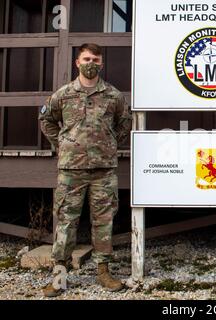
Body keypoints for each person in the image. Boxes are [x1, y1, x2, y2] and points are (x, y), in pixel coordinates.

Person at [39, 43, 132, 297]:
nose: (91, 63)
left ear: (101, 64)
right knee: (66, 221)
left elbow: (124, 123)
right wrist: (63, 143)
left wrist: (110, 142)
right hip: (72, 169)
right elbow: (46, 119)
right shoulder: (64, 94)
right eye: (87, 58)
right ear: (77, 63)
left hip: (104, 169)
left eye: (96, 59)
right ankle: (59, 276)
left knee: (103, 221)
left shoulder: (113, 95)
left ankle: (103, 272)